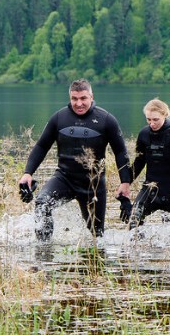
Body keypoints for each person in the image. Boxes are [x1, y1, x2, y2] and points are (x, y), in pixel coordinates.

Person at [19, 79, 132, 241]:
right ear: (70, 98)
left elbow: (121, 152)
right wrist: (27, 173)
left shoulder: (106, 120)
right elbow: (42, 146)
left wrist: (125, 182)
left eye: (83, 98)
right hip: (64, 178)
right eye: (74, 99)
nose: (79, 103)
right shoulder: (59, 118)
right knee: (42, 204)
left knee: (97, 236)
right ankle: (43, 250)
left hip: (93, 185)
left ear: (91, 97)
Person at [129, 98, 170, 229]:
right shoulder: (143, 134)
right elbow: (139, 163)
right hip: (149, 189)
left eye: (155, 119)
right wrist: (125, 183)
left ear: (165, 115)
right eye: (148, 119)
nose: (152, 123)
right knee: (133, 222)